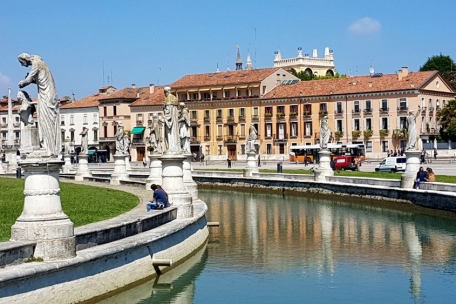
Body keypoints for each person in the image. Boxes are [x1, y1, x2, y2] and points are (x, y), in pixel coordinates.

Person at [18, 53, 60, 156]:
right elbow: (40, 80)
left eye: (21, 63)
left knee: (46, 122)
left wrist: (22, 83)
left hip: (47, 96)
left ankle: (49, 148)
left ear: (24, 60)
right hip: (48, 94)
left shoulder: (36, 63)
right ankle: (48, 146)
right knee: (46, 121)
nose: (22, 66)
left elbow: (28, 80)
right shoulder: (41, 63)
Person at [163, 86, 180, 154]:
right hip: (175, 122)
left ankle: (170, 148)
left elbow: (168, 112)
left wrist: (164, 118)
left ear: (165, 92)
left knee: (169, 134)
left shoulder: (167, 99)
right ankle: (175, 148)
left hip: (169, 122)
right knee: (175, 133)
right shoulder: (175, 98)